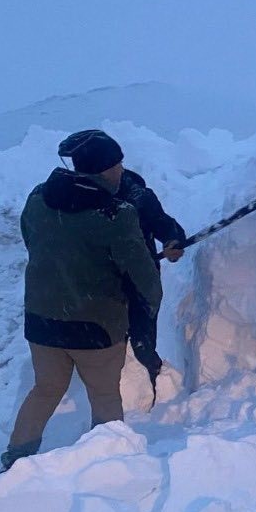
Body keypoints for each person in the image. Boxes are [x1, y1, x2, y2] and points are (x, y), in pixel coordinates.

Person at [4, 130, 162, 470]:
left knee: (45, 390)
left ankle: (16, 459)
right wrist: (147, 304)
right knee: (104, 396)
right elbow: (143, 276)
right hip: (96, 326)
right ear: (104, 170)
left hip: (43, 321)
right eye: (117, 164)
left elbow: (32, 240)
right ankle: (110, 463)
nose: (122, 170)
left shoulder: (38, 199)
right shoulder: (116, 215)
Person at [57, 130, 186, 391]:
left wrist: (172, 241)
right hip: (97, 290)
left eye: (120, 164)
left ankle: (157, 389)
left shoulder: (136, 194)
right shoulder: (71, 197)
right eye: (112, 167)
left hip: (139, 284)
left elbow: (164, 224)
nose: (120, 171)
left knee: (142, 343)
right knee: (106, 347)